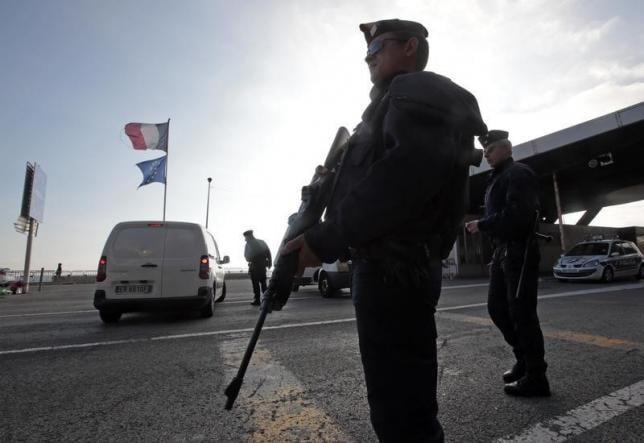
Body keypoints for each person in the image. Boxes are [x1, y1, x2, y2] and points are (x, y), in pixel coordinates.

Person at [281, 19, 486, 442]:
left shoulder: (419, 92)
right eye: (367, 49)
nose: (368, 55)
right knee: (395, 406)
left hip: (397, 270)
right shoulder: (387, 108)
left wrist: (325, 238)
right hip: (383, 268)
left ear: (410, 46)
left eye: (377, 44)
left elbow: (403, 176)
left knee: (402, 415)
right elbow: (376, 178)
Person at [465, 130, 550, 397]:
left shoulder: (518, 173)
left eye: (491, 150)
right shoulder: (498, 178)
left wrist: (482, 224)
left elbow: (518, 215)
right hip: (503, 252)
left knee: (522, 313)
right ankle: (524, 360)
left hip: (519, 251)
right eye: (485, 151)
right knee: (497, 309)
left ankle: (537, 376)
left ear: (507, 149)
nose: (486, 155)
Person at [243, 230, 272, 306]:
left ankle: (257, 300)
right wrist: (269, 263)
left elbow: (247, 257)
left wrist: (250, 259)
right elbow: (269, 253)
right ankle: (266, 300)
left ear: (249, 236)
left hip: (254, 267)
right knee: (263, 284)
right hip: (262, 267)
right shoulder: (262, 242)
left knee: (256, 285)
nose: (245, 239)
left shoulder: (248, 244)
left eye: (245, 237)